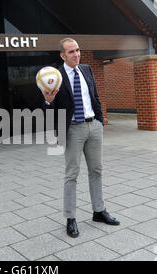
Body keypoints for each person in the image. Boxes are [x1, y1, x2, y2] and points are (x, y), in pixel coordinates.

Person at [42, 38, 119, 238]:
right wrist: (48, 102)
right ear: (62, 55)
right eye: (71, 52)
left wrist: (100, 121)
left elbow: (95, 96)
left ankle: (99, 211)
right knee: (72, 174)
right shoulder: (55, 76)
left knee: (96, 170)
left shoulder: (86, 69)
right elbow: (49, 113)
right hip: (72, 129)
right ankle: (70, 218)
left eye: (77, 50)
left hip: (93, 125)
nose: (76, 54)